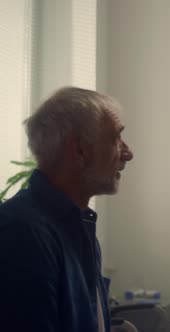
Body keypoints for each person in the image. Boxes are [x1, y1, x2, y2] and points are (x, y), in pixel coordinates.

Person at [0, 87, 134, 331]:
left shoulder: (80, 226)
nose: (128, 153)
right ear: (80, 150)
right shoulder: (21, 233)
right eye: (116, 138)